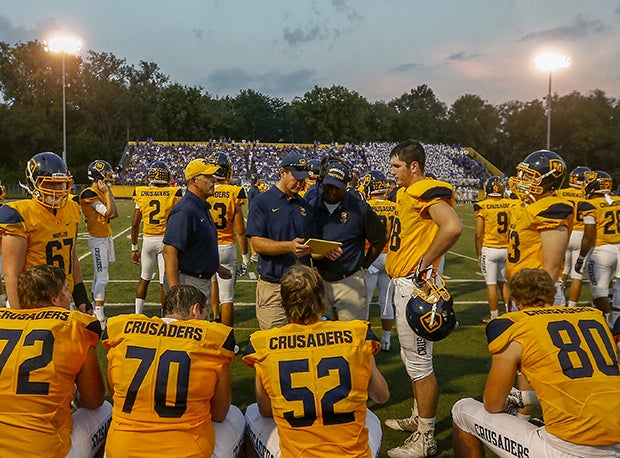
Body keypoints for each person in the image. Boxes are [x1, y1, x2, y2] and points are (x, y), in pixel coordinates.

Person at [452, 268, 620, 457]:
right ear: (553, 294)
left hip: (566, 448)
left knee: (462, 410)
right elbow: (582, 386)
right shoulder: (594, 317)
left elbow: (493, 404)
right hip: (617, 441)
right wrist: (524, 398)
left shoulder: (517, 326)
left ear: (515, 301)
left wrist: (513, 399)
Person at [242, 263, 390, 457]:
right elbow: (381, 396)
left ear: (283, 303)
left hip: (299, 452)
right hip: (351, 453)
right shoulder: (358, 335)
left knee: (251, 412)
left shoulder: (264, 344)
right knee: (370, 417)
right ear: (322, 300)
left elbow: (265, 410)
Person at [384, 140, 463, 458]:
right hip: (402, 283)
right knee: (410, 359)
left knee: (420, 364)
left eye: (396, 166)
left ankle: (426, 437)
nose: (392, 172)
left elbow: (452, 226)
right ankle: (419, 418)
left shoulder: (424, 189)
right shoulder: (405, 192)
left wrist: (424, 263)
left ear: (413, 166)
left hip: (415, 286)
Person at [103, 284, 245, 457]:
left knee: (107, 411)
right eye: (206, 315)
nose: (207, 320)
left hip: (122, 450)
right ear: (195, 310)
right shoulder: (213, 339)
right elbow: (219, 413)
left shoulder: (123, 330)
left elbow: (115, 392)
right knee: (237, 416)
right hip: (186, 451)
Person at [0, 265, 112, 457]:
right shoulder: (75, 325)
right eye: (66, 291)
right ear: (54, 298)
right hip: (44, 450)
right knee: (105, 410)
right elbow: (93, 400)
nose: (69, 296)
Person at [0, 152, 91, 311]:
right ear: (33, 183)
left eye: (61, 183)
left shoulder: (72, 208)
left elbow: (71, 256)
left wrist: (80, 297)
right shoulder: (20, 214)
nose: (58, 189)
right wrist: (19, 314)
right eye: (50, 184)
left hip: (62, 298)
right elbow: (11, 275)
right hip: (31, 303)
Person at [245, 152, 317, 330]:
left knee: (303, 342)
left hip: (302, 288)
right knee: (274, 340)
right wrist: (289, 246)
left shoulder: (305, 206)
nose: (300, 183)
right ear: (282, 172)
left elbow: (311, 245)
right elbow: (257, 243)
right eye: (296, 178)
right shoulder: (262, 202)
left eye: (303, 179)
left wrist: (324, 251)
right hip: (274, 286)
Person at [311, 161, 387, 322]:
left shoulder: (360, 208)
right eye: (328, 185)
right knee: (321, 333)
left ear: (346, 186)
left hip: (349, 279)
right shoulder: (312, 206)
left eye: (337, 187)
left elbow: (380, 238)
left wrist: (364, 265)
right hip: (319, 279)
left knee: (351, 332)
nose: (332, 191)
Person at [163, 158, 230, 302]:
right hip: (188, 282)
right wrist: (176, 292)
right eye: (208, 176)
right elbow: (169, 252)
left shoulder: (200, 206)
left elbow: (198, 246)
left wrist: (216, 267)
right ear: (194, 180)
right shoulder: (185, 210)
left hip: (198, 280)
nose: (214, 180)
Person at [506, 150, 573, 283]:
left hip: (537, 288)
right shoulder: (526, 205)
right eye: (523, 174)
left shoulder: (549, 208)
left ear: (547, 180)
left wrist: (541, 293)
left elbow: (551, 267)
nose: (522, 179)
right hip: (520, 285)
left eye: (529, 176)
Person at [130, 161, 182, 313]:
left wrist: (134, 248)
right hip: (166, 241)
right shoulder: (173, 192)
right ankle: (164, 315)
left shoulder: (142, 192)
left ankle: (137, 314)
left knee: (144, 278)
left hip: (148, 240)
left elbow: (135, 224)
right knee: (163, 282)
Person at [206, 152, 250, 326]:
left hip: (207, 246)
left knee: (211, 284)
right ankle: (228, 337)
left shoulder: (203, 190)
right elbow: (240, 230)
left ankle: (215, 318)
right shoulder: (234, 192)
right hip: (226, 246)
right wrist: (245, 255)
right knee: (227, 297)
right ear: (227, 172)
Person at [575, 170, 620, 324]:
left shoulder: (590, 205)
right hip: (619, 247)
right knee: (617, 287)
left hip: (601, 251)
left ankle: (607, 324)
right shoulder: (618, 200)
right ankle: (616, 321)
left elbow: (589, 236)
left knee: (599, 293)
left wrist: (581, 258)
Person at [80, 159, 119, 328]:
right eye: (106, 174)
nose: (109, 176)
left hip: (105, 236)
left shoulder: (102, 191)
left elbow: (115, 213)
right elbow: (108, 213)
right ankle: (99, 315)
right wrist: (107, 193)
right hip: (97, 238)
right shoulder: (89, 193)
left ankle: (95, 308)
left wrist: (108, 192)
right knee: (102, 277)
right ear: (98, 176)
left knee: (99, 276)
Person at [361, 170, 396, 350]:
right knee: (386, 301)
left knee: (364, 302)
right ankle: (387, 340)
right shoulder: (395, 207)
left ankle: (365, 339)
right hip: (390, 256)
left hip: (371, 255)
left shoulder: (365, 206)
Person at [474, 176, 512, 322]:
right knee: (504, 283)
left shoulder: (483, 206)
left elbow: (479, 234)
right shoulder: (509, 204)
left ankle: (494, 316)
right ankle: (509, 313)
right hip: (506, 248)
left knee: (491, 284)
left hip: (490, 249)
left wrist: (479, 253)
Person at [556, 166, 590, 306]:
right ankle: (571, 307)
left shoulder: (560, 193)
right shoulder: (588, 195)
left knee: (563, 269)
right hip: (581, 235)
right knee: (577, 275)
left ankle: (560, 301)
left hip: (564, 232)